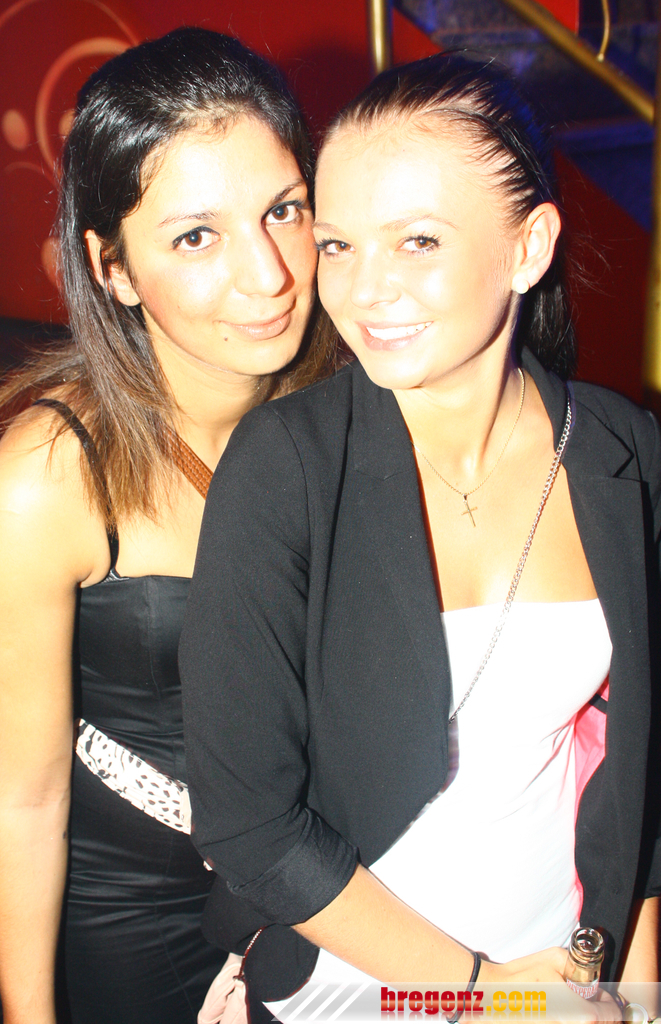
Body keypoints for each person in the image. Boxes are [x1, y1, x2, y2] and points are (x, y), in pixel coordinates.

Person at [180, 54, 661, 1020]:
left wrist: (641, 996)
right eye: (339, 245)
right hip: (358, 984)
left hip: (561, 963)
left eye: (418, 241)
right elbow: (249, 826)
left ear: (528, 248)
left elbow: (632, 772)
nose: (366, 290)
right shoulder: (286, 466)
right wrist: (486, 994)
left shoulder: (620, 450)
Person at [0, 27, 337, 1024]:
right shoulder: (51, 476)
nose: (268, 275)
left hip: (333, 902)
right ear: (111, 267)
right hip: (136, 930)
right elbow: (24, 798)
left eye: (283, 210)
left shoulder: (362, 411)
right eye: (196, 237)